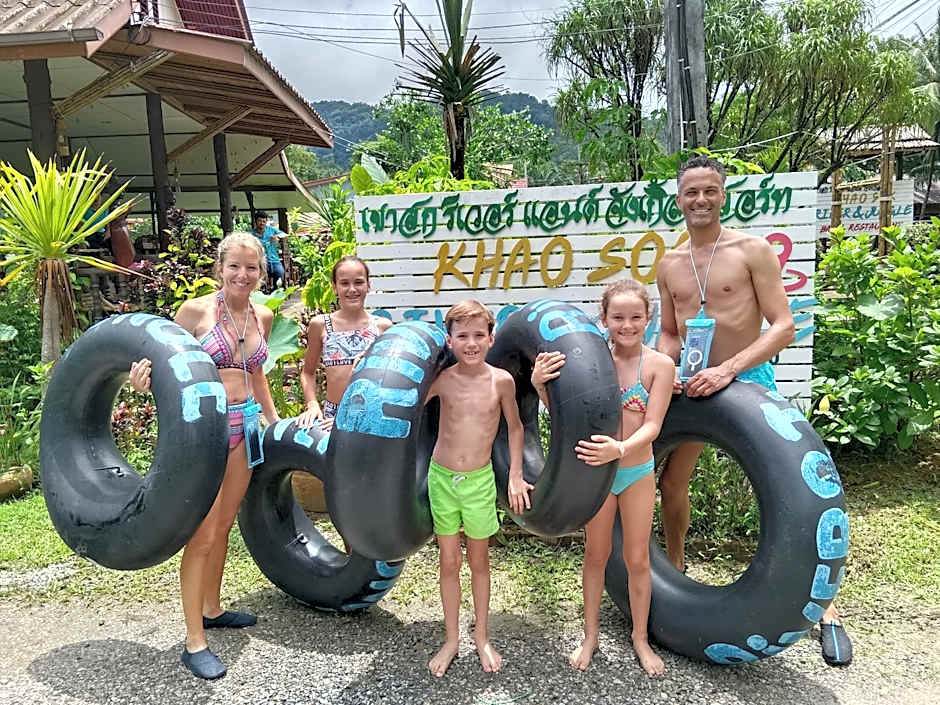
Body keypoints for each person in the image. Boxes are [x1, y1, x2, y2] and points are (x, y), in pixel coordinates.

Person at [656, 155, 852, 667]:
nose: (700, 199)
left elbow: (783, 325)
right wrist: (664, 367)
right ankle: (672, 577)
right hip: (692, 386)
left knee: (793, 492)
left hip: (747, 381)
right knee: (672, 483)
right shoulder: (670, 263)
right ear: (679, 199)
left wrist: (729, 370)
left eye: (709, 191)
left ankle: (824, 609)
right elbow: (671, 332)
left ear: (723, 195)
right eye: (691, 192)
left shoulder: (751, 250)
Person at [129, 232, 280, 680]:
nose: (243, 275)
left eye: (251, 267)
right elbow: (163, 364)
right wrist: (141, 382)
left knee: (224, 525)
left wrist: (274, 421)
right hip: (204, 431)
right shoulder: (195, 312)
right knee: (203, 533)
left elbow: (257, 375)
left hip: (245, 427)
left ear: (261, 272)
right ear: (220, 268)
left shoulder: (263, 315)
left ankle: (212, 609)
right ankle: (194, 641)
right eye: (235, 266)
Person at [531, 280, 674, 676]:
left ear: (648, 318)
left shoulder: (660, 366)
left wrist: (621, 449)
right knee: (596, 555)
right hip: (598, 476)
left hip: (636, 471)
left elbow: (653, 426)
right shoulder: (593, 364)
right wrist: (539, 385)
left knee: (637, 559)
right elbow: (566, 413)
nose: (627, 325)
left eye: (635, 317)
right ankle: (590, 635)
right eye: (618, 317)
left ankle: (640, 638)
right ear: (604, 319)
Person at [423, 300, 531, 677]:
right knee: (448, 562)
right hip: (441, 479)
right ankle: (452, 639)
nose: (471, 343)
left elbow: (515, 428)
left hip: (479, 482)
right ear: (449, 340)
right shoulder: (442, 380)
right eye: (462, 336)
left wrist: (515, 474)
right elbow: (404, 403)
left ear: (491, 338)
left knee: (479, 561)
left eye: (478, 335)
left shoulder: (501, 381)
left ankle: (482, 635)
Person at [296, 256, 392, 431]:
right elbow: (308, 373)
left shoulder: (382, 327)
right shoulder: (320, 325)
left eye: (359, 282)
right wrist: (312, 404)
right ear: (335, 287)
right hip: (330, 419)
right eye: (344, 283)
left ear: (368, 285)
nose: (352, 289)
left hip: (370, 418)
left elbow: (389, 379)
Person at [251, 211, 286, 287]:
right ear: (255, 221)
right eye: (260, 221)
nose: (262, 223)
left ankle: (276, 291)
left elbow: (284, 234)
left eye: (264, 221)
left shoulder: (271, 230)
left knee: (280, 273)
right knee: (258, 278)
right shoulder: (251, 234)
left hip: (274, 260)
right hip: (260, 261)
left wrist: (277, 236)